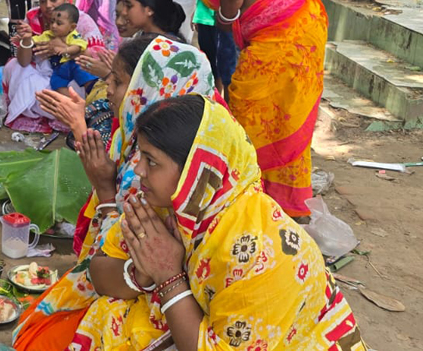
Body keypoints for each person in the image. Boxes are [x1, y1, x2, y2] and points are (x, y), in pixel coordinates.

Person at [71, 95, 364, 350]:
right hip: (196, 326)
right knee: (107, 312)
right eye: (140, 156)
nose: (138, 170)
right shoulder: (170, 204)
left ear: (197, 171)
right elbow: (100, 273)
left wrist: (168, 276)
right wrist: (142, 272)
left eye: (151, 160)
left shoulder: (262, 253)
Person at [14, 36, 218, 351]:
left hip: (162, 314)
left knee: (38, 339)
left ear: (149, 91)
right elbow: (110, 263)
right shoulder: (133, 142)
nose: (108, 88)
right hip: (130, 282)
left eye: (119, 81)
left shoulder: (161, 169)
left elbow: (116, 270)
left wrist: (106, 191)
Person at [159, 0, 326, 218]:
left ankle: (247, 204)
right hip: (297, 21)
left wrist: (225, 19)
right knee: (282, 115)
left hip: (285, 30)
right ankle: (284, 206)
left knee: (247, 116)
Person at [2, 0, 103, 133]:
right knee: (12, 66)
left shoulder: (81, 20)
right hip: (46, 75)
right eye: (43, 1)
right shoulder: (33, 17)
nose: (48, 6)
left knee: (82, 83)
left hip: (71, 75)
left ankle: (76, 111)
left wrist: (64, 48)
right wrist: (27, 39)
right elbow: (23, 62)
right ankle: (41, 110)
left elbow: (96, 60)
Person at [17, 3, 96, 96]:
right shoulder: (48, 35)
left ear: (72, 27)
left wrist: (66, 49)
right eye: (52, 22)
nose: (54, 26)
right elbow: (35, 40)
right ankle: (72, 101)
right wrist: (25, 39)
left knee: (86, 77)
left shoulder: (73, 35)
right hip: (59, 69)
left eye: (59, 23)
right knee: (56, 83)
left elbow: (79, 46)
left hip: (73, 65)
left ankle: (93, 96)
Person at [117, 0, 188, 42]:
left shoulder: (164, 48)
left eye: (129, 6)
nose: (124, 12)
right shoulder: (143, 37)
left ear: (149, 10)